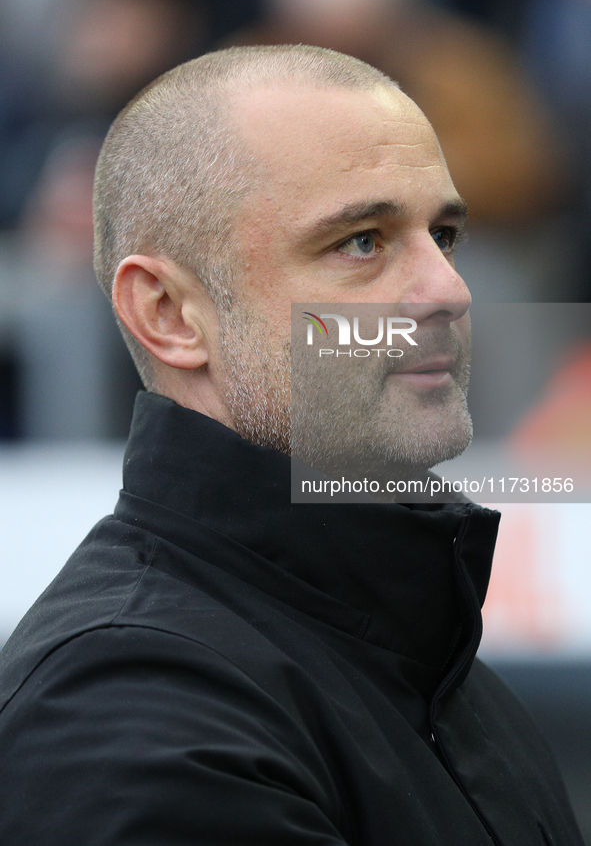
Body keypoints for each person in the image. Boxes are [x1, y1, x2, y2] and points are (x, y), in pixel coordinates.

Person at [0, 45, 583, 845]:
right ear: (169, 313)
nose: (448, 290)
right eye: (361, 242)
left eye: (442, 234)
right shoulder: (130, 711)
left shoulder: (430, 660)